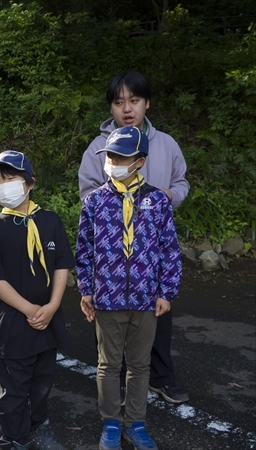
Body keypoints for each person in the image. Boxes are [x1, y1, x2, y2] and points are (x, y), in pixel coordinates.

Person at [78, 71, 190, 404]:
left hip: (150, 255)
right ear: (111, 108)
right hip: (114, 256)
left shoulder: (166, 144)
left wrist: (167, 197)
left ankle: (161, 377)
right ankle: (114, 386)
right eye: (119, 102)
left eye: (135, 100)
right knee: (113, 333)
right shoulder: (99, 148)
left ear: (147, 103)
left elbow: (182, 182)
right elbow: (87, 193)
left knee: (158, 317)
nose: (127, 108)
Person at [76, 126, 182, 450]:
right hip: (107, 300)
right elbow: (84, 249)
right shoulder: (94, 201)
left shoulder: (157, 201)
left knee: (139, 365)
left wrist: (166, 291)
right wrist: (85, 288)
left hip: (146, 299)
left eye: (121, 157)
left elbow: (170, 249)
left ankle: (135, 423)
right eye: (110, 156)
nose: (113, 162)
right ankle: (110, 422)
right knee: (108, 365)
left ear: (139, 161)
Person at [0, 151, 75, 450]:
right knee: (13, 385)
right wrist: (30, 309)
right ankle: (14, 438)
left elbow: (61, 264)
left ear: (30, 183)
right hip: (15, 323)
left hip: (48, 318)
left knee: (43, 379)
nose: (2, 185)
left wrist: (53, 305)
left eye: (10, 178)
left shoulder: (50, 220)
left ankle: (39, 424)